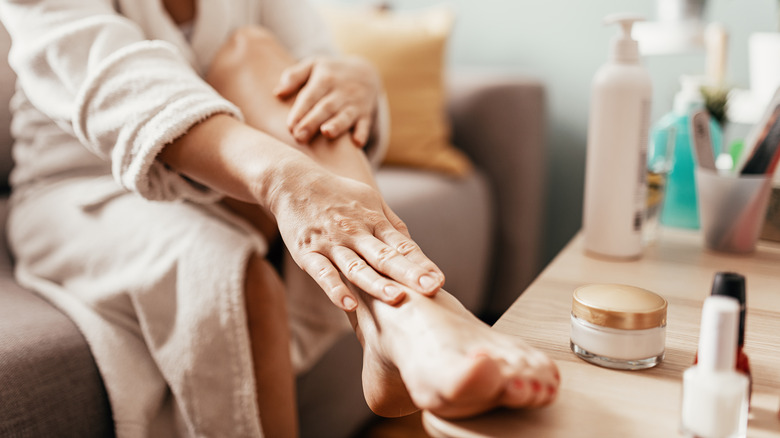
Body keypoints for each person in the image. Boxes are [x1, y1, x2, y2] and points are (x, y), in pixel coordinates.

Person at [0, 0, 560, 436]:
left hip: (232, 182)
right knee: (224, 272)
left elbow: (307, 65)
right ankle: (410, 312)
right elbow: (123, 87)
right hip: (84, 190)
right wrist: (286, 181)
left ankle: (401, 313)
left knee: (254, 52)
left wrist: (356, 80)